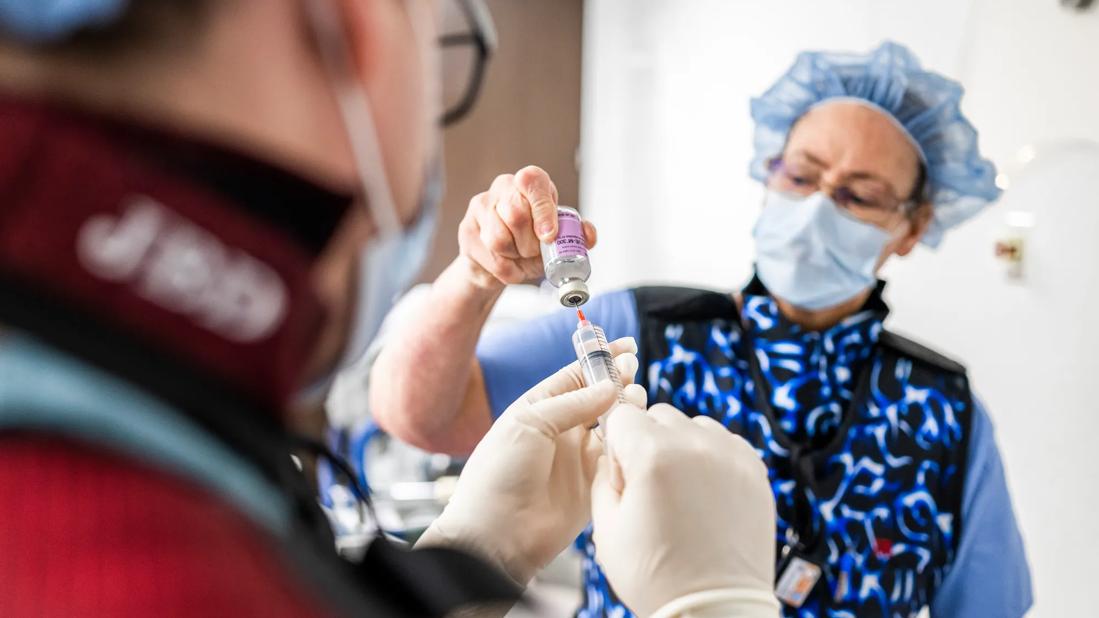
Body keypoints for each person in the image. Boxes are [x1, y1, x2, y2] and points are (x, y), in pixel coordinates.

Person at [0, 1, 780, 616]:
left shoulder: (118, 423)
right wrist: (716, 607)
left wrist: (475, 554)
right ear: (354, 28)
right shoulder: (127, 554)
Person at [369, 41, 1033, 616]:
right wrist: (476, 275)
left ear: (912, 227)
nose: (814, 210)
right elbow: (419, 415)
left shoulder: (945, 417)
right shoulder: (641, 329)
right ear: (768, 176)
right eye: (800, 175)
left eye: (858, 195)